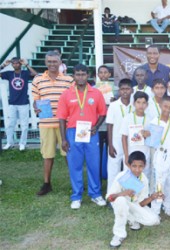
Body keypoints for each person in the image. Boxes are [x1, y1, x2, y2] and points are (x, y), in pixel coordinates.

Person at [57, 64, 107, 209]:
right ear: (73, 76)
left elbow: (103, 113)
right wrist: (64, 139)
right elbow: (61, 118)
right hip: (73, 132)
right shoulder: (66, 94)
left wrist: (96, 127)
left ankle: (95, 194)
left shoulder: (96, 93)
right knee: (75, 165)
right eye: (77, 74)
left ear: (88, 75)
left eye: (83, 74)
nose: (80, 77)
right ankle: (76, 196)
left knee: (93, 164)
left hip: (90, 133)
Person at [31, 50, 73, 196]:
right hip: (46, 123)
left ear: (60, 62)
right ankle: (47, 183)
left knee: (69, 154)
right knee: (47, 155)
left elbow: (73, 100)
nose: (52, 64)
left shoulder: (68, 80)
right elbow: (35, 100)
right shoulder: (37, 80)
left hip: (65, 124)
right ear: (45, 62)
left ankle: (75, 182)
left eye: (55, 61)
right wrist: (35, 106)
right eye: (49, 61)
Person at [107, 151, 160, 248]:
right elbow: (110, 198)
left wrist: (152, 197)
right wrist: (123, 193)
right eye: (134, 166)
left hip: (134, 205)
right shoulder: (121, 176)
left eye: (140, 166)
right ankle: (119, 234)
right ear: (128, 165)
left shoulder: (144, 180)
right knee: (121, 200)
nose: (137, 169)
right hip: (119, 203)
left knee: (154, 220)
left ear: (145, 165)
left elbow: (141, 204)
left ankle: (131, 218)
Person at [0, 57, 37, 151]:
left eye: (17, 63)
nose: (15, 65)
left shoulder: (24, 73)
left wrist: (27, 64)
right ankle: (9, 142)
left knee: (24, 125)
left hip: (23, 103)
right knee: (10, 124)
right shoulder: (9, 74)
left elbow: (35, 75)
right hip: (12, 103)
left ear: (20, 64)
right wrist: (4, 65)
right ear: (12, 64)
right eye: (13, 63)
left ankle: (22, 144)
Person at [106, 79, 134, 193]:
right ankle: (111, 195)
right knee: (113, 169)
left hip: (131, 141)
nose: (125, 92)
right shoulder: (113, 105)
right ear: (119, 90)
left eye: (127, 89)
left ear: (132, 90)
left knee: (129, 169)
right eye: (122, 89)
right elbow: (109, 126)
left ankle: (128, 193)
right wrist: (110, 145)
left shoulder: (135, 105)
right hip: (116, 141)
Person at [121, 91, 152, 182]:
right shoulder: (128, 118)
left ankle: (143, 196)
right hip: (130, 153)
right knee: (129, 178)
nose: (141, 105)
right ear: (134, 103)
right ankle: (128, 196)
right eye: (138, 102)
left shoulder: (150, 120)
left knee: (143, 178)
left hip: (145, 153)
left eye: (143, 103)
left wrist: (148, 135)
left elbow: (153, 139)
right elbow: (124, 137)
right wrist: (126, 156)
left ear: (147, 105)